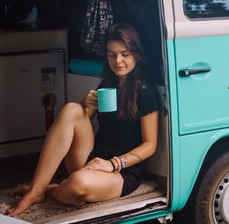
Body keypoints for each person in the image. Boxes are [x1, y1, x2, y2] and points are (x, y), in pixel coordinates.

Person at [5, 23, 159, 217]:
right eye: (111, 55)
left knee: (79, 184)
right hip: (92, 159)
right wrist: (86, 105)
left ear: (136, 54)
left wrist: (112, 164)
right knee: (72, 109)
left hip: (120, 172)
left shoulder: (145, 92)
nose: (118, 60)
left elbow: (150, 145)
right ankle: (37, 189)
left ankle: (48, 190)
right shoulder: (108, 84)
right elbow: (74, 122)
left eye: (125, 54)